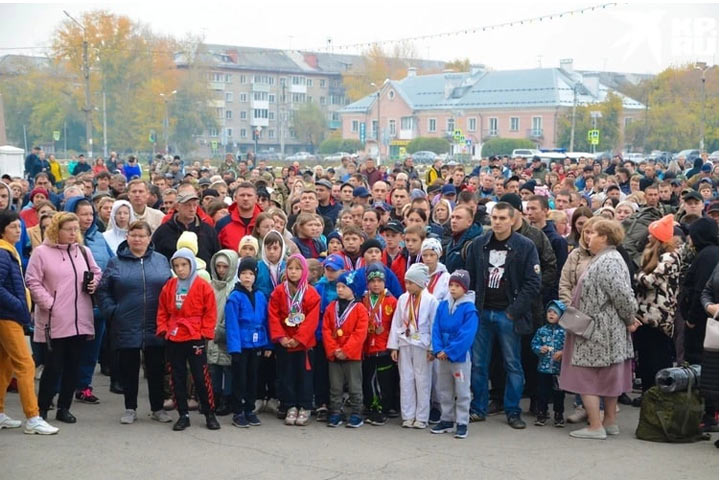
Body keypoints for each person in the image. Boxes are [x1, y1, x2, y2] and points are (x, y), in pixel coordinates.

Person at [558, 219, 639, 440]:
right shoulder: (608, 258)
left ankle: (596, 425)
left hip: (596, 329)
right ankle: (609, 421)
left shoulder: (608, 261)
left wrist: (631, 316)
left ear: (604, 237)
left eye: (592, 233)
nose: (588, 237)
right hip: (603, 327)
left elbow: (622, 296)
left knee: (587, 376)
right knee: (607, 374)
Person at [465, 202, 541, 429]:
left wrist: (512, 311)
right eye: (494, 218)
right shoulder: (478, 245)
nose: (497, 222)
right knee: (479, 364)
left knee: (512, 364)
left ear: (512, 219)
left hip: (508, 314)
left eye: (501, 218)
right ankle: (478, 408)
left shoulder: (525, 246)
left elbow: (532, 282)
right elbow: (469, 278)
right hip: (482, 312)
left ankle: (512, 410)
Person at [25, 212, 102, 423]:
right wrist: (50, 304)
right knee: (53, 367)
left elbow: (96, 272)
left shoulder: (83, 251)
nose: (73, 233)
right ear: (56, 230)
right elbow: (32, 281)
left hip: (80, 319)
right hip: (55, 319)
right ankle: (41, 409)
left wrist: (94, 282)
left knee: (72, 366)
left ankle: (64, 408)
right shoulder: (41, 253)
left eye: (75, 229)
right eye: (68, 229)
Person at [96, 221, 173, 424]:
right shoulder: (116, 262)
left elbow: (170, 287)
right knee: (128, 369)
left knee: (156, 368)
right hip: (126, 323)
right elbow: (103, 290)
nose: (137, 239)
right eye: (133, 235)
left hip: (156, 323)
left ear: (149, 239)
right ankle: (130, 408)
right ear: (127, 237)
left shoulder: (161, 261)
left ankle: (158, 408)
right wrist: (113, 312)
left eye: (142, 236)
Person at [0, 210, 59, 434]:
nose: (18, 230)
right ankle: (33, 417)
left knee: (4, 365)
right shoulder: (3, 253)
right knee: (26, 365)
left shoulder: (8, 251)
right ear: (3, 230)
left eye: (19, 226)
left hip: (8, 315)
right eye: (13, 226)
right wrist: (18, 304)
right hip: (7, 317)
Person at [156, 248, 220, 431]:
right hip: (175, 336)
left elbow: (210, 311)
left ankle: (209, 412)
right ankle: (183, 413)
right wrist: (163, 329)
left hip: (195, 335)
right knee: (177, 376)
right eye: (176, 266)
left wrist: (205, 332)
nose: (180, 269)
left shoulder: (202, 286)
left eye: (184, 265)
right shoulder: (169, 286)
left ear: (192, 265)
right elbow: (162, 310)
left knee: (200, 376)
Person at [267, 254, 320, 426]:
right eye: (290, 268)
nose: (294, 272)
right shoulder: (279, 291)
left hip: (303, 344)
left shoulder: (311, 293)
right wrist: (281, 337)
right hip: (285, 342)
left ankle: (304, 406)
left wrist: (298, 338)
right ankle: (289, 405)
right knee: (286, 376)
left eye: (298, 269)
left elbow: (312, 319)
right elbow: (273, 315)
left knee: (304, 376)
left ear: (304, 271)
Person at [633, 215, 681, 402]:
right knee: (645, 357)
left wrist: (638, 275)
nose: (647, 238)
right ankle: (647, 393)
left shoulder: (669, 257)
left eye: (651, 235)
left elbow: (649, 281)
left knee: (657, 358)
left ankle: (659, 395)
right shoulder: (656, 256)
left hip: (659, 316)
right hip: (645, 315)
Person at [387, 263, 439, 429]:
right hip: (405, 342)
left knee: (422, 380)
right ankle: (408, 415)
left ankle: (422, 416)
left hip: (422, 345)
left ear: (421, 282)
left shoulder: (431, 300)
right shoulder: (403, 299)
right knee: (406, 379)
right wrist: (394, 346)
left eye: (411, 282)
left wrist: (432, 347)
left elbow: (434, 325)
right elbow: (396, 323)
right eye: (406, 282)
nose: (407, 286)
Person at [430, 270, 478, 439]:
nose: (453, 289)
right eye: (451, 285)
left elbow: (467, 334)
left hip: (459, 357)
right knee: (444, 388)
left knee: (462, 389)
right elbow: (435, 327)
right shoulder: (443, 305)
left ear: (464, 288)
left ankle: (463, 421)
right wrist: (437, 349)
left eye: (457, 286)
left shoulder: (469, 309)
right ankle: (447, 418)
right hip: (442, 354)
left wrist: (449, 351)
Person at [225, 257, 271, 428]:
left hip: (257, 343)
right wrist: (234, 348)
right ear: (239, 275)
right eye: (243, 273)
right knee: (240, 378)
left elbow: (266, 320)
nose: (247, 277)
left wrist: (267, 344)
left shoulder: (260, 295)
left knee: (253, 378)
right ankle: (238, 411)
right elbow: (232, 324)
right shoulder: (235, 297)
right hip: (241, 345)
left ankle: (249, 409)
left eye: (250, 274)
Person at [322, 270, 369, 428]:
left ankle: (356, 412)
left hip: (352, 355)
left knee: (355, 385)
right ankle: (335, 411)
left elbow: (360, 333)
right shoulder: (331, 307)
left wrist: (346, 350)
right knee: (335, 385)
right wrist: (334, 349)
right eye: (338, 286)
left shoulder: (360, 309)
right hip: (334, 354)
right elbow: (326, 329)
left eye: (344, 286)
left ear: (353, 289)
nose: (339, 289)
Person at [361, 264, 399, 426]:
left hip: (385, 347)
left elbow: (396, 326)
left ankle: (385, 407)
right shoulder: (363, 300)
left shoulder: (392, 301)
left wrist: (394, 347)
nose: (376, 284)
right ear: (367, 283)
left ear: (385, 282)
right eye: (373, 281)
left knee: (385, 379)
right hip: (368, 347)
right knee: (369, 379)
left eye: (379, 280)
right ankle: (372, 406)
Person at [206, 250, 239, 418]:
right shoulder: (210, 286)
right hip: (210, 332)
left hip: (227, 334)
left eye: (225, 266)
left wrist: (222, 330)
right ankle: (215, 398)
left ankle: (228, 399)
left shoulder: (234, 287)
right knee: (214, 368)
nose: (221, 270)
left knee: (228, 369)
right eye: (218, 266)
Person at [152, 186, 220, 266]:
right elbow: (155, 258)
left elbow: (216, 256)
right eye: (187, 205)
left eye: (195, 205)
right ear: (177, 207)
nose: (192, 209)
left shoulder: (208, 230)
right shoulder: (163, 231)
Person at [531, 300, 567, 427]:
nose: (551, 314)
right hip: (543, 368)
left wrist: (563, 352)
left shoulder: (565, 332)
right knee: (542, 392)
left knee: (559, 393)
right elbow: (534, 344)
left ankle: (559, 414)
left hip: (558, 369)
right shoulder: (542, 330)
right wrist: (539, 349)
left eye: (555, 313)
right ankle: (542, 412)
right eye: (549, 312)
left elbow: (570, 347)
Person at [216, 182, 263, 250]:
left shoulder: (264, 223)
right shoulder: (223, 224)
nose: (245, 198)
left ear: (256, 198)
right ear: (235, 198)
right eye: (242, 195)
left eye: (249, 195)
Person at [441, 205, 481, 274]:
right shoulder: (452, 241)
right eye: (452, 217)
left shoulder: (474, 244)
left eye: (458, 218)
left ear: (469, 222)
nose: (453, 221)